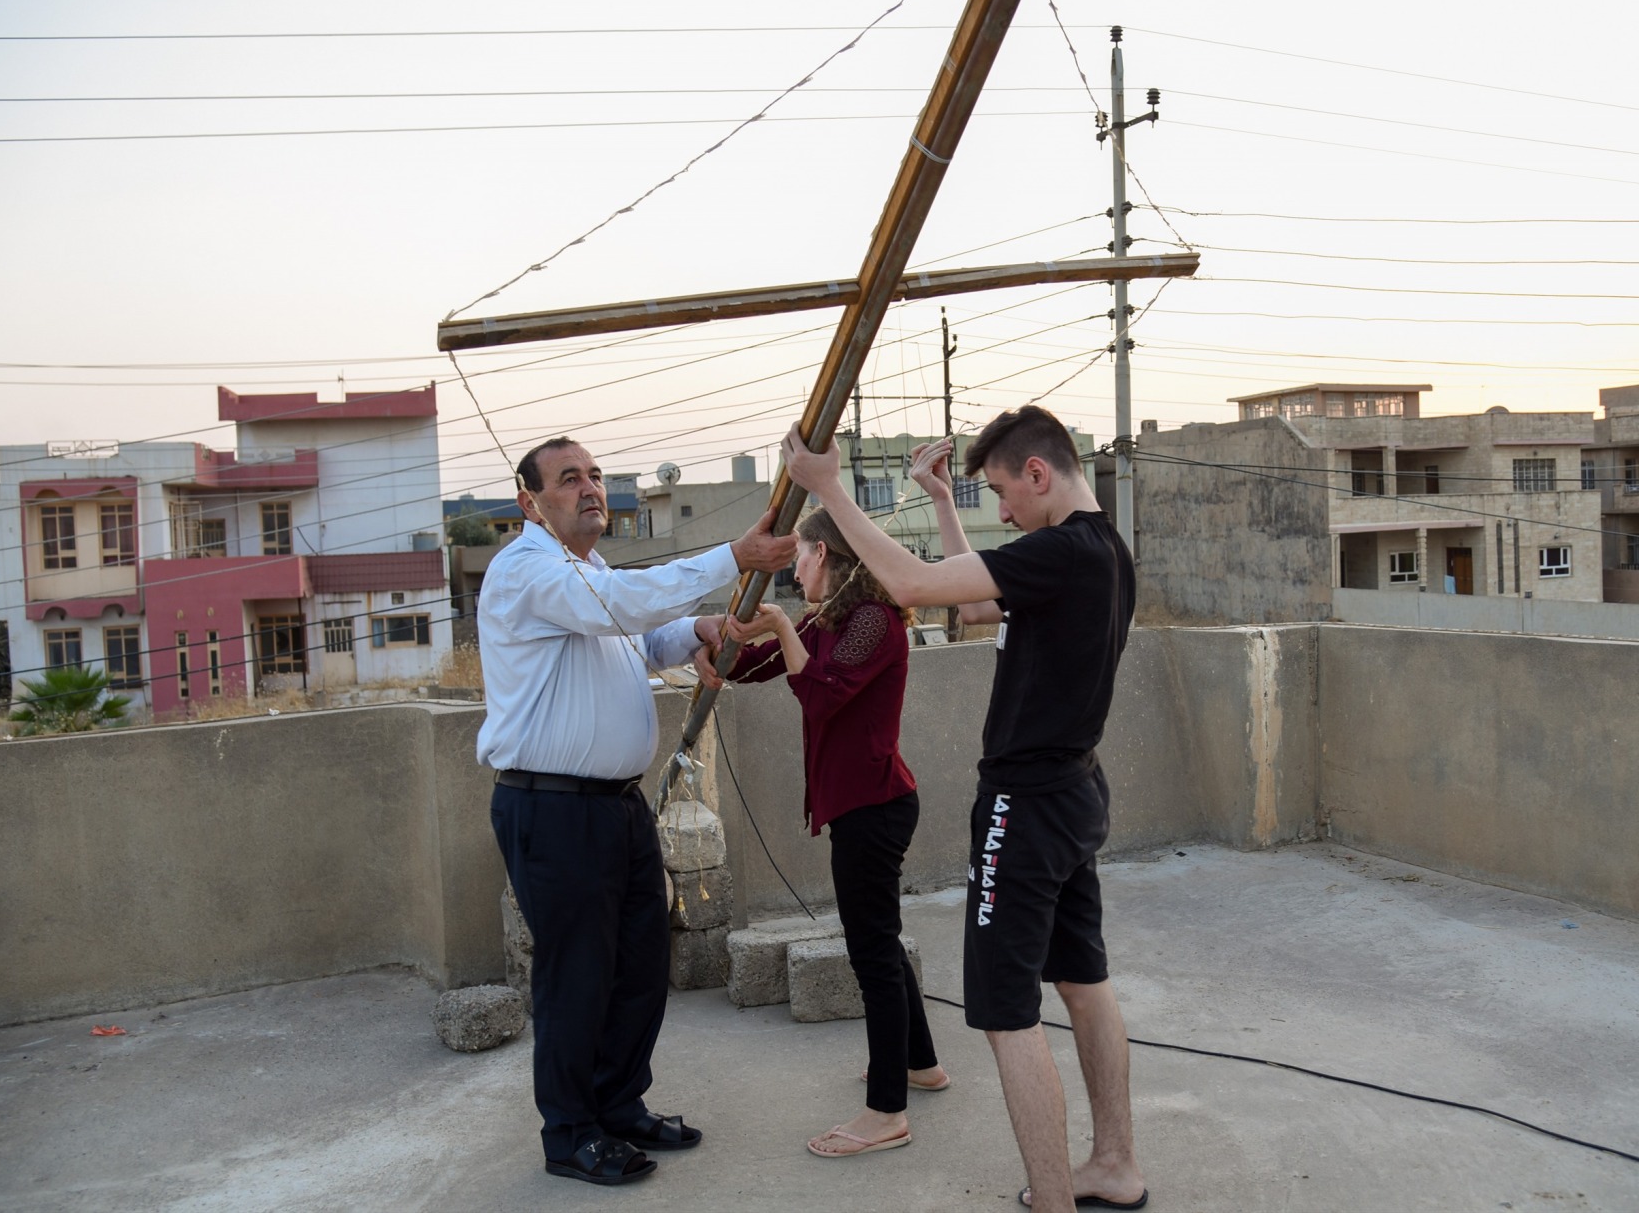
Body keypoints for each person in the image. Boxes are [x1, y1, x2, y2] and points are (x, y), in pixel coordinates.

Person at [780, 407, 1146, 1213]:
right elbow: (976, 603)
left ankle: (1054, 1201)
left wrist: (830, 490)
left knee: (1008, 1015)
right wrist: (943, 500)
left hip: (1026, 803)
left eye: (1005, 493)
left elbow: (909, 586)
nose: (1004, 512)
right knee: (1084, 979)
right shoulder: (1104, 553)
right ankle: (1114, 1163)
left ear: (1041, 474)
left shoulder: (1061, 552)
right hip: (1075, 788)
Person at [479, 435, 797, 1187]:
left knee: (639, 968)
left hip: (613, 810)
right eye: (568, 479)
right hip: (552, 810)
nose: (590, 487)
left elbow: (639, 635)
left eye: (593, 474)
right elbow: (618, 608)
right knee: (577, 976)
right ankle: (570, 1132)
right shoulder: (526, 570)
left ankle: (618, 1105)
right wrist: (733, 559)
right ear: (530, 501)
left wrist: (696, 632)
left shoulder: (585, 571)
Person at [721, 507, 949, 1159]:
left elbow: (819, 695)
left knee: (871, 952)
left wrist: (785, 626)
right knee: (881, 941)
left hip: (874, 809)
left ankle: (886, 1113)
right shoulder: (836, 621)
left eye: (799, 555)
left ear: (824, 554)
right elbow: (761, 665)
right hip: (865, 806)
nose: (793, 570)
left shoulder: (873, 622)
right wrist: (717, 647)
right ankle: (921, 1062)